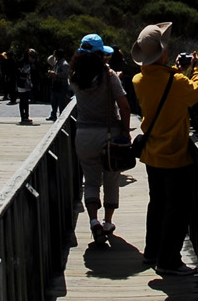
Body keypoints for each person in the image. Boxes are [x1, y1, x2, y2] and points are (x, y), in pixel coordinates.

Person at [131, 23, 198, 277]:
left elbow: (163, 82)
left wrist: (175, 69)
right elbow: (196, 92)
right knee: (177, 209)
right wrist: (196, 70)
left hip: (152, 155)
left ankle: (151, 253)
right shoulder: (176, 81)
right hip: (174, 155)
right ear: (162, 53)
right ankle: (169, 261)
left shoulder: (139, 79)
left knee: (157, 204)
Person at [71, 34, 131, 246]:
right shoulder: (109, 75)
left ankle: (93, 220)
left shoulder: (74, 76)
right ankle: (107, 222)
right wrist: (126, 130)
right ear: (99, 54)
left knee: (91, 181)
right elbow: (124, 105)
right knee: (111, 179)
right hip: (108, 135)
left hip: (84, 135)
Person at [13, 49, 36, 125]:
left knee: (26, 101)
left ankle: (26, 116)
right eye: (30, 55)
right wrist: (24, 76)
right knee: (22, 100)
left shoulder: (30, 63)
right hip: (21, 83)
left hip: (27, 83)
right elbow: (17, 73)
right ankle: (23, 117)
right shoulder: (21, 62)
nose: (32, 57)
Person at [48, 50, 72, 120]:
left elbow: (65, 74)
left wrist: (56, 74)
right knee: (53, 101)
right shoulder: (57, 63)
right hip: (55, 85)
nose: (54, 57)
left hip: (61, 85)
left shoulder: (64, 64)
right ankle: (53, 115)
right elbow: (50, 60)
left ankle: (62, 116)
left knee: (61, 102)